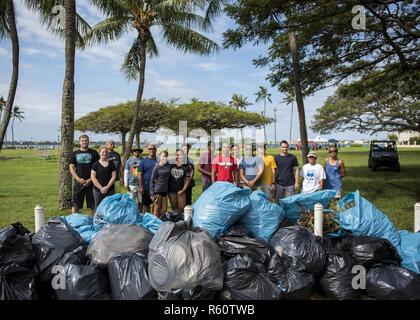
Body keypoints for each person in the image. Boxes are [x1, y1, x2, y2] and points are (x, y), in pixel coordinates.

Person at [69, 135, 99, 214]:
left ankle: (94, 223)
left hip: (92, 183)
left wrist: (91, 179)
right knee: (76, 205)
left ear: (88, 141)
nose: (84, 142)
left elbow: (97, 168)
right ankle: (73, 222)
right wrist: (78, 179)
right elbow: (71, 167)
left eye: (85, 140)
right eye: (82, 140)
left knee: (93, 205)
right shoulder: (74, 153)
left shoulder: (94, 153)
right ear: (79, 142)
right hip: (78, 183)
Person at [137, 143, 158, 212]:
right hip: (146, 186)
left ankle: (155, 220)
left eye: (153, 149)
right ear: (147, 150)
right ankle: (147, 220)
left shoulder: (159, 161)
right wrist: (140, 186)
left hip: (157, 187)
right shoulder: (143, 162)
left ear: (156, 150)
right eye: (150, 149)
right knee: (146, 205)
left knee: (156, 204)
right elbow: (139, 175)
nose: (152, 150)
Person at [150, 151, 170, 217]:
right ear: (160, 157)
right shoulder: (156, 167)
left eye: (166, 156)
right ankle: (155, 226)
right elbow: (152, 181)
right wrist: (152, 194)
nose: (164, 158)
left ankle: (162, 225)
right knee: (157, 210)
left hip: (165, 190)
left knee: (164, 211)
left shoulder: (168, 166)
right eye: (163, 156)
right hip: (158, 191)